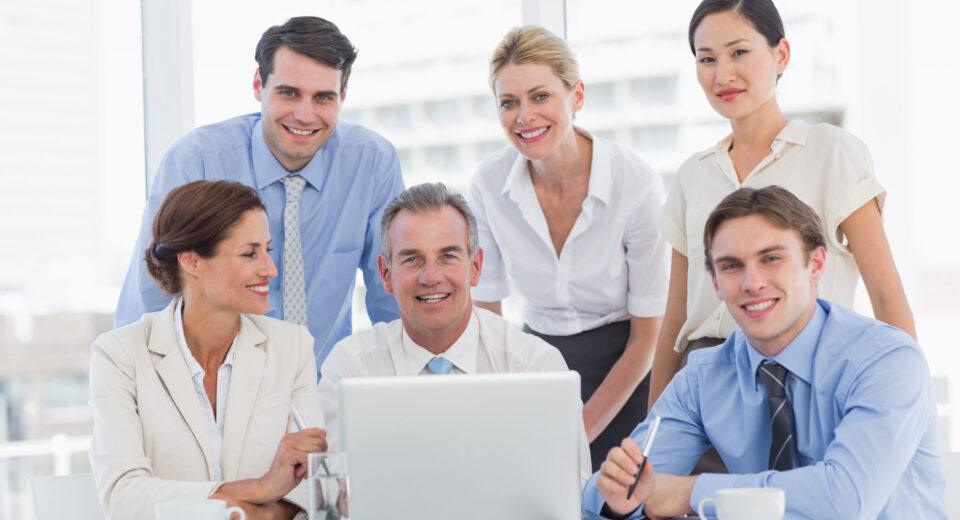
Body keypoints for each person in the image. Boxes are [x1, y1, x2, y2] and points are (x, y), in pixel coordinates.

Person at [583, 186, 945, 519]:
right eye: (731, 266)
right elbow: (605, 496)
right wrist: (618, 497)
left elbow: (845, 499)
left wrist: (690, 492)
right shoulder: (703, 378)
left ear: (816, 264)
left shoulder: (887, 361)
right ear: (716, 284)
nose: (752, 283)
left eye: (771, 258)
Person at [648, 0, 916, 408]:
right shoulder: (692, 175)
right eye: (707, 59)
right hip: (705, 383)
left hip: (806, 375)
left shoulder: (831, 152)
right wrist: (653, 430)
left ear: (781, 55)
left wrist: (910, 413)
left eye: (739, 52)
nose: (723, 75)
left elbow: (886, 293)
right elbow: (674, 321)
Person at [115, 16, 404, 371]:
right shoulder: (196, 162)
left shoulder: (372, 163)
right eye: (289, 93)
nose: (304, 114)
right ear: (258, 85)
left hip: (321, 389)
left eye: (323, 97)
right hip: (215, 392)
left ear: (342, 97)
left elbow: (393, 299)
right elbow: (151, 302)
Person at [469, 25, 667, 471]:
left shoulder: (636, 185)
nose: (524, 116)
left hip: (627, 369)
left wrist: (573, 434)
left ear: (576, 96)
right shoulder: (488, 184)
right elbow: (488, 320)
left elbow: (647, 340)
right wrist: (503, 410)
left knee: (617, 497)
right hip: (537, 366)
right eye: (508, 103)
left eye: (540, 97)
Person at [317, 182, 592, 485]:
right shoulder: (350, 370)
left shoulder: (537, 367)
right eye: (412, 259)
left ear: (475, 267)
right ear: (385, 274)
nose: (431, 277)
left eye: (448, 257)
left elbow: (571, 494)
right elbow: (332, 497)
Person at [90, 181, 327, 519]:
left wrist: (251, 513)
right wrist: (260, 489)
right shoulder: (120, 355)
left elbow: (313, 482)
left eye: (267, 250)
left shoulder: (292, 346)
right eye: (249, 253)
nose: (270, 269)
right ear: (191, 261)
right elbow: (124, 495)